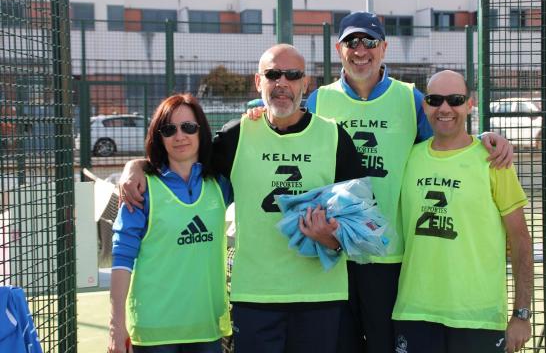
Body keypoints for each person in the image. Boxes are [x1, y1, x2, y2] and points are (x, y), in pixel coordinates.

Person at [120, 44, 365, 353]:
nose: (282, 83)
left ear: (306, 83)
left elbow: (361, 225)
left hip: (320, 298)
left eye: (292, 75)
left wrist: (331, 239)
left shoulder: (334, 136)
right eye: (272, 74)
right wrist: (136, 166)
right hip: (255, 298)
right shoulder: (236, 136)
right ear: (257, 82)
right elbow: (181, 158)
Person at [303, 11, 515, 353]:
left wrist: (487, 137)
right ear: (338, 48)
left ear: (384, 48)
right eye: (351, 42)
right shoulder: (318, 100)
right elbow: (288, 134)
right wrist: (256, 115)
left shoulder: (410, 98)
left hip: (390, 258)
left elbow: (448, 136)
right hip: (334, 252)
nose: (360, 50)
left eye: (369, 42)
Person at [392, 70, 533, 353]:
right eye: (435, 100)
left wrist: (521, 315)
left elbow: (520, 242)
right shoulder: (408, 157)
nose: (445, 108)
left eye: (455, 100)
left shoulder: (493, 160)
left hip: (477, 318)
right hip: (415, 313)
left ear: (470, 104)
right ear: (425, 105)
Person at [108, 94, 232, 353]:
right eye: (169, 129)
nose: (179, 136)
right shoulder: (141, 189)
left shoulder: (220, 184)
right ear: (158, 136)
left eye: (188, 127)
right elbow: (122, 259)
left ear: (201, 132)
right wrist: (116, 325)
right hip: (155, 333)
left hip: (206, 328)